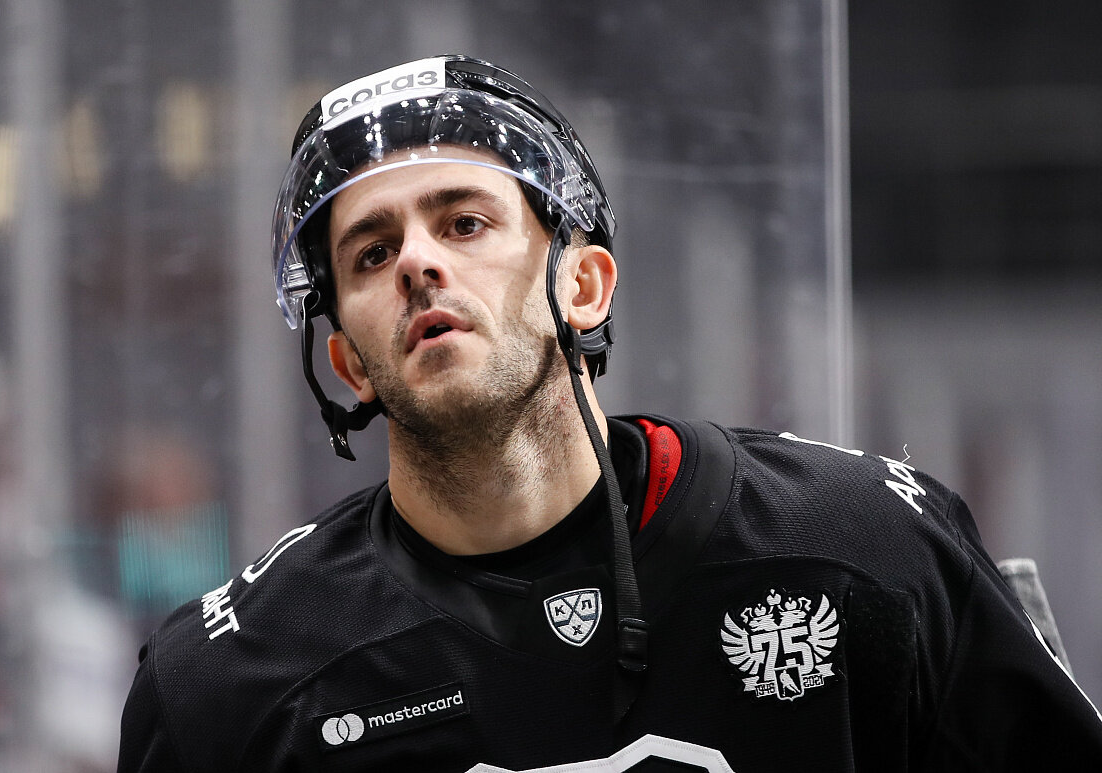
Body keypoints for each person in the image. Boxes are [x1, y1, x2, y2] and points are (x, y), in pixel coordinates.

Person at [118, 55, 1102, 772]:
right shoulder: (229, 685)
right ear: (349, 363)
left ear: (583, 286)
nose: (418, 261)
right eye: (371, 254)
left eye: (465, 222)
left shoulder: (863, 548)